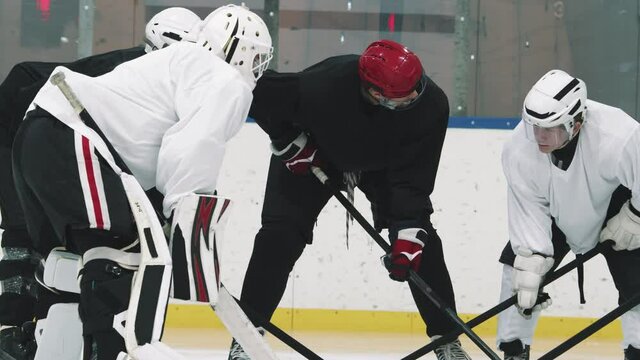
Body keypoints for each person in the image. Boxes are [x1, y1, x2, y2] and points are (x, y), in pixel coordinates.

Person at [11, 4, 272, 359]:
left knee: (71, 259)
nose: (257, 71)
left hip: (40, 136)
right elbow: (193, 147)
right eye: (258, 60)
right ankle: (106, 350)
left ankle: (48, 350)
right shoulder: (222, 77)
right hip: (73, 139)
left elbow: (158, 147)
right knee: (121, 251)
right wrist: (188, 217)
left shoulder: (179, 63)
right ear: (239, 50)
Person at [229, 39, 472, 360]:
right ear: (374, 93)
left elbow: (413, 180)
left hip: (383, 168)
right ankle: (246, 337)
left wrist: (408, 232)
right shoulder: (324, 85)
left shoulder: (430, 105)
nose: (417, 96)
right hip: (313, 154)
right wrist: (287, 140)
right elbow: (259, 93)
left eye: (418, 87)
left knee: (420, 243)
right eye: (405, 97)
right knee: (279, 236)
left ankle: (447, 340)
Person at [0, 7, 202, 359]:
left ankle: (40, 337)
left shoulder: (156, 82)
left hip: (32, 142)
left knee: (66, 251)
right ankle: (19, 335)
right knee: (47, 244)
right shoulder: (136, 75)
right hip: (20, 139)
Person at [496, 69, 640, 360]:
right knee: (520, 271)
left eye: (548, 128)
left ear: (576, 123)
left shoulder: (619, 135)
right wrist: (532, 259)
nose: (538, 136)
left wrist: (636, 217)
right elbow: (529, 208)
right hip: (554, 210)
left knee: (636, 283)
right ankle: (513, 350)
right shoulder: (518, 149)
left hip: (617, 206)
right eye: (533, 126)